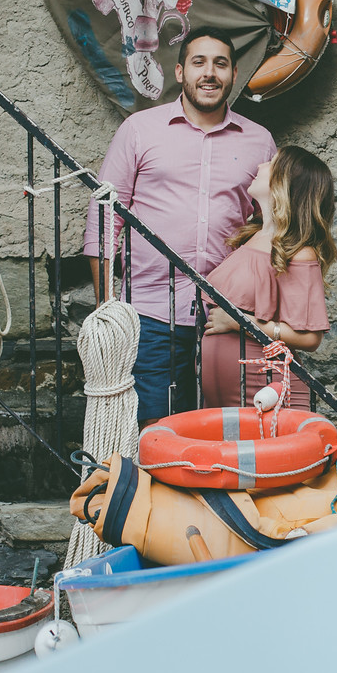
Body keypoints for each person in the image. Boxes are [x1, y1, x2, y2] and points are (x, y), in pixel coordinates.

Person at [85, 26, 276, 426]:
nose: (210, 73)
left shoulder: (259, 141)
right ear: (179, 73)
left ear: (234, 75)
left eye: (220, 64)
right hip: (151, 309)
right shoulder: (140, 130)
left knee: (227, 426)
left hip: (228, 312)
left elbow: (271, 226)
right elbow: (105, 217)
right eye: (199, 63)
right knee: (156, 428)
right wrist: (107, 306)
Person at [201, 145, 337, 410]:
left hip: (268, 392)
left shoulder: (298, 251)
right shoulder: (253, 236)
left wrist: (239, 322)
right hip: (232, 392)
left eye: (271, 163)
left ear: (285, 184)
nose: (261, 166)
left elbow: (311, 339)